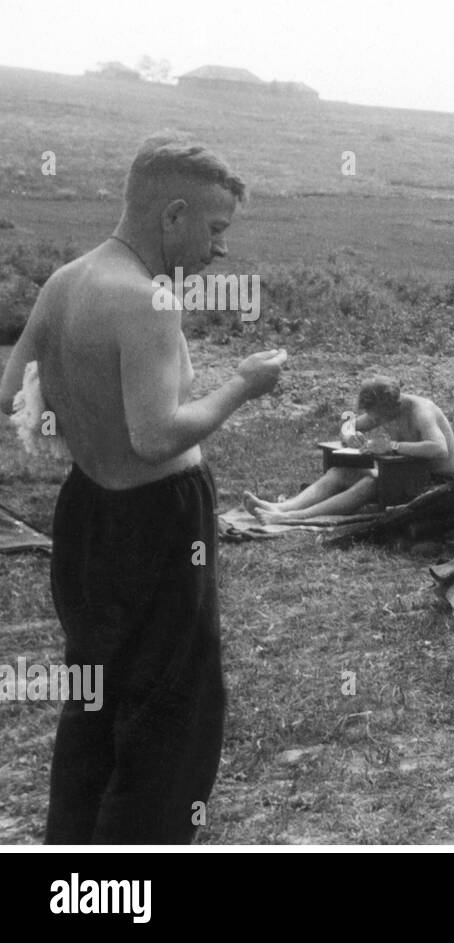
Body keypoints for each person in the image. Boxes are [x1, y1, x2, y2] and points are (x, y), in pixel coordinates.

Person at [0, 132, 286, 843]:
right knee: (168, 711)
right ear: (173, 215)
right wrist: (244, 385)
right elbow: (157, 436)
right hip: (159, 522)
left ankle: (73, 858)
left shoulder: (66, 280)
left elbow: (12, 393)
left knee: (93, 695)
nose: (220, 250)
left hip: (87, 513)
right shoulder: (147, 301)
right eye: (215, 230)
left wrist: (70, 410)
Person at [242, 375, 454, 522]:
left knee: (370, 482)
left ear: (391, 405)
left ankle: (291, 518)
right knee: (339, 473)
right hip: (404, 474)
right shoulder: (385, 411)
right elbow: (349, 425)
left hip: (436, 482)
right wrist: (349, 435)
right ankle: (282, 507)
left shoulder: (421, 411)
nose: (375, 420)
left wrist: (392, 446)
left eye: (377, 415)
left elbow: (439, 449)